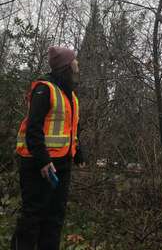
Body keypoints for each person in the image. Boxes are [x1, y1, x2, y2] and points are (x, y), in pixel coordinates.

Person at [11, 46, 85, 250]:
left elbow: (70, 128)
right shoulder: (44, 89)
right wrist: (43, 160)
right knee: (32, 217)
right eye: (74, 62)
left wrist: (78, 150)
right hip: (38, 165)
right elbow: (33, 128)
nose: (77, 65)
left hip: (62, 164)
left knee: (54, 218)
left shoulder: (69, 93)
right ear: (66, 66)